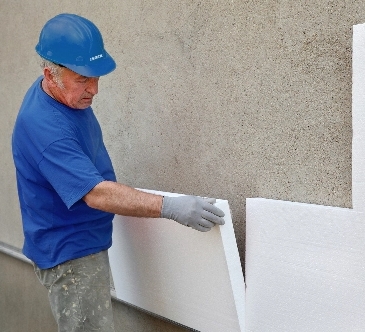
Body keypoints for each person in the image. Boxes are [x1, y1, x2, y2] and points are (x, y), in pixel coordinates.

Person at [11, 13, 225, 332]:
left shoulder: (57, 93)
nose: (94, 90)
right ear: (50, 74)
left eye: (96, 77)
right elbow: (95, 194)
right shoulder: (46, 129)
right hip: (71, 255)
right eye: (83, 79)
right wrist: (170, 207)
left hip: (79, 242)